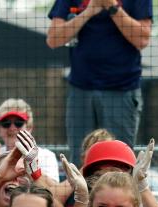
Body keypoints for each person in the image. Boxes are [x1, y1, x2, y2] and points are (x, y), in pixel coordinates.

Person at [46, 0, 152, 166]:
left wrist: (112, 7)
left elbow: (142, 40)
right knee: (80, 162)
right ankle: (81, 193)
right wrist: (89, 11)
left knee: (118, 163)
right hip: (81, 89)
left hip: (121, 90)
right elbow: (53, 39)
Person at [0, 100, 60, 186]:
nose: (12, 128)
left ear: (29, 127)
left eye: (18, 123)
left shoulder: (46, 156)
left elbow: (56, 193)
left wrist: (31, 168)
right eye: (6, 123)